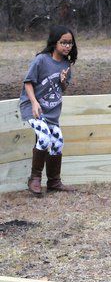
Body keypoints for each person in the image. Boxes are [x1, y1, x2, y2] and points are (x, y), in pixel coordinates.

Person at [19, 25, 78, 196]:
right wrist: (34, 102)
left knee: (58, 141)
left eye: (70, 43)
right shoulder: (41, 60)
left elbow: (62, 89)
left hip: (51, 112)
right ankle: (34, 179)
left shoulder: (66, 64)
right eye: (63, 43)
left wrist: (63, 81)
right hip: (33, 109)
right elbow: (28, 82)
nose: (67, 46)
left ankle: (53, 182)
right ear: (54, 43)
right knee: (44, 138)